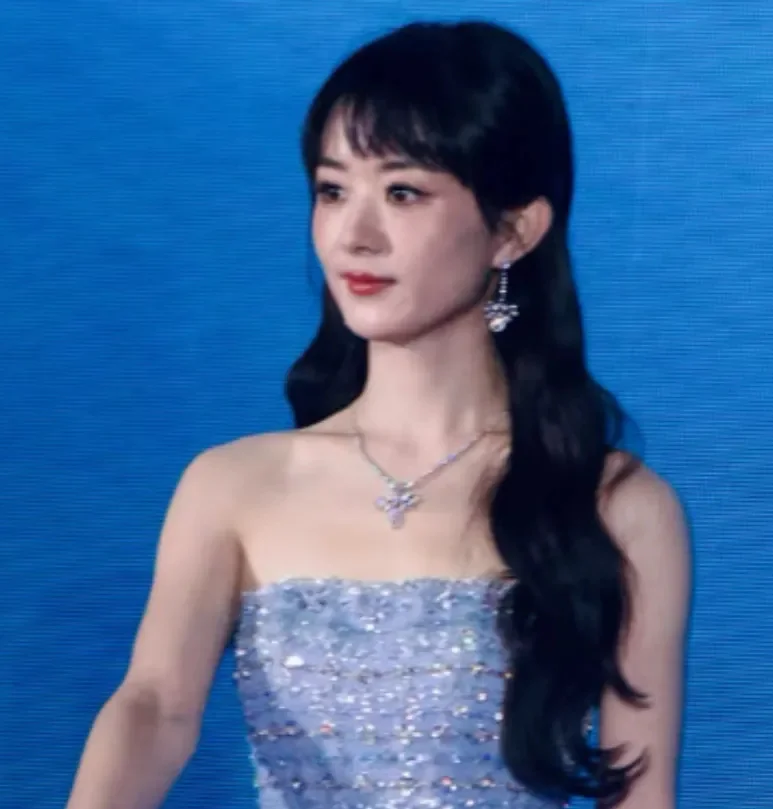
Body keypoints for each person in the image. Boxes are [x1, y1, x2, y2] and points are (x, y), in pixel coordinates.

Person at [66, 19, 690, 809]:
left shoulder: (615, 505)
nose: (354, 236)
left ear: (513, 229)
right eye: (333, 191)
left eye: (402, 192)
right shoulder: (231, 485)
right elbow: (156, 704)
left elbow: (639, 792)